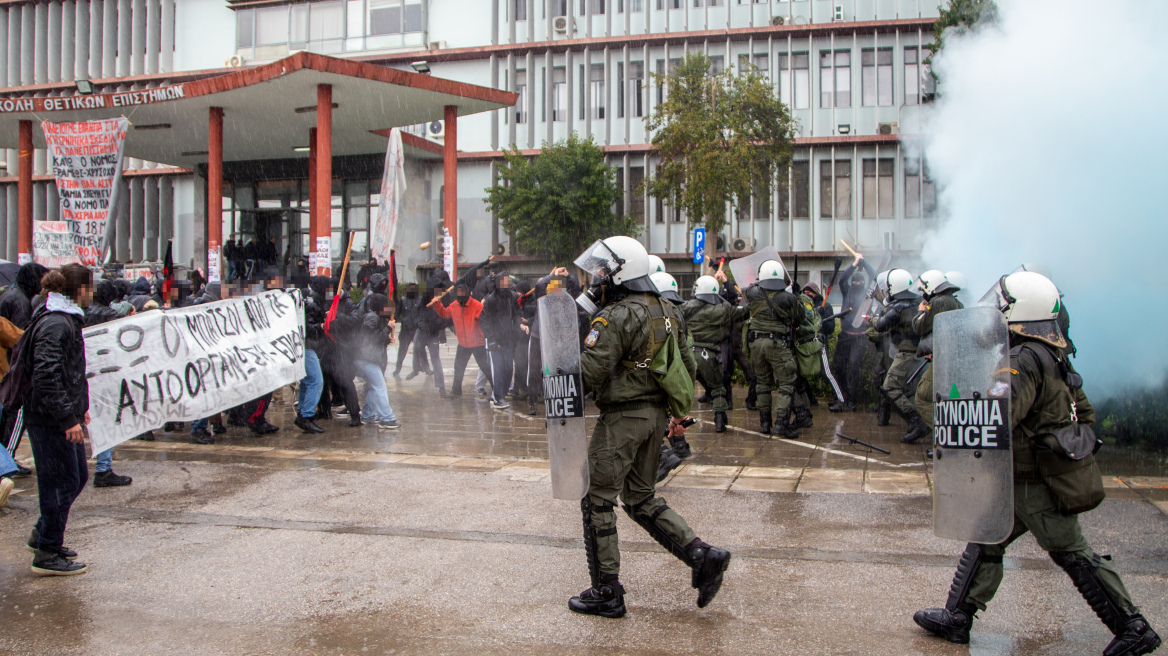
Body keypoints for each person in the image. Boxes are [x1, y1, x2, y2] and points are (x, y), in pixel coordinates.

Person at [913, 271, 1161, 656]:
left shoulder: (1023, 358)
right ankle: (958, 616)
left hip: (1036, 482)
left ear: (1020, 309)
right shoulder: (1049, 350)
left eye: (1005, 304)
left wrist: (960, 404)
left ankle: (1133, 627)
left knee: (1074, 555)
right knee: (986, 539)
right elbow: (1085, 413)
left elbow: (1000, 412)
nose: (997, 309)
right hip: (1027, 474)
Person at [569, 236, 730, 618]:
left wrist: (556, 378)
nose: (600, 278)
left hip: (623, 419)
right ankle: (702, 556)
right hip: (655, 417)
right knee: (640, 499)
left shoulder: (619, 314)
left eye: (605, 272)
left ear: (624, 271)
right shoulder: (668, 309)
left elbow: (589, 373)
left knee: (597, 499)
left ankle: (606, 590)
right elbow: (687, 367)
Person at [25, 265, 94, 576]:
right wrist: (68, 418)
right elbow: (46, 375)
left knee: (76, 478)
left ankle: (43, 534)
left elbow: (70, 371)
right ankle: (48, 551)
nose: (91, 294)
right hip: (50, 419)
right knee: (61, 483)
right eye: (89, 288)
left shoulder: (63, 318)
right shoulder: (56, 322)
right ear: (78, 291)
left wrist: (81, 408)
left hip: (60, 415)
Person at [744, 260, 804, 438]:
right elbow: (799, 318)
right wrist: (796, 294)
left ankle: (764, 423)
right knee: (786, 383)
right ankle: (781, 424)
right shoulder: (788, 298)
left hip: (755, 344)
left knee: (762, 383)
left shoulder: (751, 293)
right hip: (777, 344)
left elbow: (752, 287)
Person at [84, 280, 134, 485]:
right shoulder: (109, 315)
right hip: (104, 373)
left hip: (83, 372)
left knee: (82, 419)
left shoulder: (82, 311)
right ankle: (103, 468)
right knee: (106, 418)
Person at [683, 276, 748, 433]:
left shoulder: (685, 307)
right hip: (711, 355)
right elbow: (744, 313)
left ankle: (673, 425)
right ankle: (719, 419)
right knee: (718, 388)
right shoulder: (723, 310)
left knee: (680, 389)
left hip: (689, 355)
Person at [873, 269, 929, 444]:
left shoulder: (898, 307)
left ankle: (917, 421)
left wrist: (876, 317)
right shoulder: (920, 301)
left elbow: (879, 327)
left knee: (890, 387)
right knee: (913, 391)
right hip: (920, 353)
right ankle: (916, 423)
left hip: (906, 354)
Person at [909, 270, 964, 442]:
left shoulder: (938, 302)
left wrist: (920, 312)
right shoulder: (956, 302)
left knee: (923, 397)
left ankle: (947, 438)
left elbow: (919, 327)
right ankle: (952, 436)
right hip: (954, 358)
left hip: (942, 359)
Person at [829, 253, 877, 413]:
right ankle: (840, 397)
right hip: (845, 335)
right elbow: (842, 279)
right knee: (839, 365)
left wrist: (865, 262)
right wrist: (855, 264)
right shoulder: (847, 290)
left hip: (860, 337)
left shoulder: (868, 294)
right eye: (855, 281)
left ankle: (852, 400)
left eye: (860, 281)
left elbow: (874, 277)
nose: (857, 283)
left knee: (854, 366)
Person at [430, 284, 491, 398]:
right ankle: (456, 391)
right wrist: (437, 303)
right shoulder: (454, 306)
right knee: (458, 367)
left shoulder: (477, 306)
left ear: (468, 293)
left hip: (477, 343)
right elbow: (444, 313)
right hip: (463, 343)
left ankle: (497, 392)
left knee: (485, 368)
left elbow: (485, 320)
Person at [353, 293, 400, 429]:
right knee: (380, 386)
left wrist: (387, 338)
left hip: (367, 357)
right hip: (365, 357)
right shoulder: (371, 317)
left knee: (374, 387)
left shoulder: (375, 317)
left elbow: (377, 339)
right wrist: (387, 329)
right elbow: (371, 339)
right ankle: (386, 418)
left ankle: (368, 414)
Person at [482, 272, 522, 410]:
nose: (507, 283)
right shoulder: (490, 300)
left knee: (508, 368)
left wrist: (520, 325)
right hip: (495, 341)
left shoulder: (513, 297)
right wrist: (491, 340)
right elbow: (485, 321)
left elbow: (517, 314)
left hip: (508, 340)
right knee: (498, 369)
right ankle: (498, 397)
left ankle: (501, 394)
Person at [294, 280, 327, 434]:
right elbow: (307, 328)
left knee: (307, 381)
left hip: (302, 347)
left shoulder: (300, 301)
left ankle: (303, 412)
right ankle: (306, 415)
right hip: (307, 347)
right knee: (316, 381)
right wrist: (320, 326)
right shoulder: (309, 303)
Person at [0, 262, 48, 330]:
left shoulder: (12, 293)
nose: (44, 283)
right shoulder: (21, 301)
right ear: (34, 279)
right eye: (42, 279)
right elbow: (20, 333)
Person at [392, 282, 424, 377]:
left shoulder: (420, 300)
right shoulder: (403, 300)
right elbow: (398, 312)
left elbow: (423, 312)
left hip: (416, 329)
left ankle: (422, 367)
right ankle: (398, 368)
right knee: (402, 351)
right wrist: (393, 320)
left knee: (419, 350)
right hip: (405, 330)